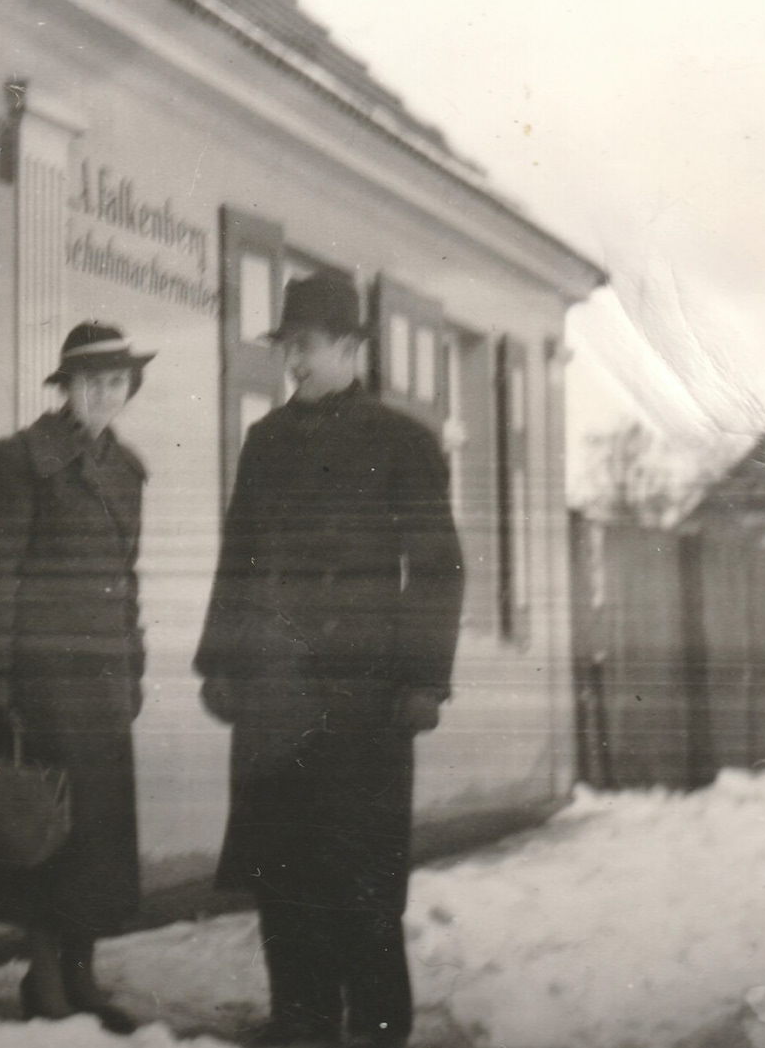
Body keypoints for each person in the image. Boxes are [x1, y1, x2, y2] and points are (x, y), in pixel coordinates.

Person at [194, 270, 465, 1048]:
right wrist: (220, 659)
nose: (295, 363)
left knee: (363, 882)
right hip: (276, 700)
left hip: (365, 704)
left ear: (351, 347)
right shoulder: (265, 442)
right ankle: (300, 1020)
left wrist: (422, 679)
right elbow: (238, 558)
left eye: (306, 346)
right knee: (283, 875)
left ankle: (379, 1029)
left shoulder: (404, 443)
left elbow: (440, 567)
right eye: (287, 348)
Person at [0, 322, 156, 1035]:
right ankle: (43, 975)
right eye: (92, 382)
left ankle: (83, 973)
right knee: (46, 826)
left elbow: (127, 580)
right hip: (42, 676)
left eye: (117, 383)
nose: (106, 395)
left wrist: (134, 662)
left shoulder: (126, 470)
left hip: (105, 677)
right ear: (66, 388)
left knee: (98, 833)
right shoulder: (19, 460)